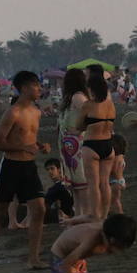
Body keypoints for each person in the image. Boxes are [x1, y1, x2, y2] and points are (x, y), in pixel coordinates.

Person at [0, 71, 50, 273]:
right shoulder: (13, 112)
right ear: (25, 88)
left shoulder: (36, 111)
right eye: (36, 86)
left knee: (39, 209)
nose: (40, 89)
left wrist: (40, 145)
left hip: (29, 167)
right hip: (11, 167)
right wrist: (23, 148)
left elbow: (28, 138)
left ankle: (33, 258)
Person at [76, 74, 116, 219]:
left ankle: (95, 214)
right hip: (108, 144)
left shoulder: (88, 105)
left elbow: (78, 126)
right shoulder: (110, 105)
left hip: (92, 144)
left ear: (91, 89)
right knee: (105, 183)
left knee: (93, 184)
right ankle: (104, 216)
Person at [58, 69, 89, 216]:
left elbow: (90, 115)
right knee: (76, 185)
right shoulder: (71, 98)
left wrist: (79, 130)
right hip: (69, 145)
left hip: (76, 145)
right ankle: (78, 214)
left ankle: (84, 214)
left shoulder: (78, 97)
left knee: (81, 182)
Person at [109, 134, 127, 214]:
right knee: (115, 200)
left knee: (115, 201)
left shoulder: (116, 158)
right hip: (119, 181)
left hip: (115, 182)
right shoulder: (121, 156)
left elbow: (115, 171)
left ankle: (120, 214)